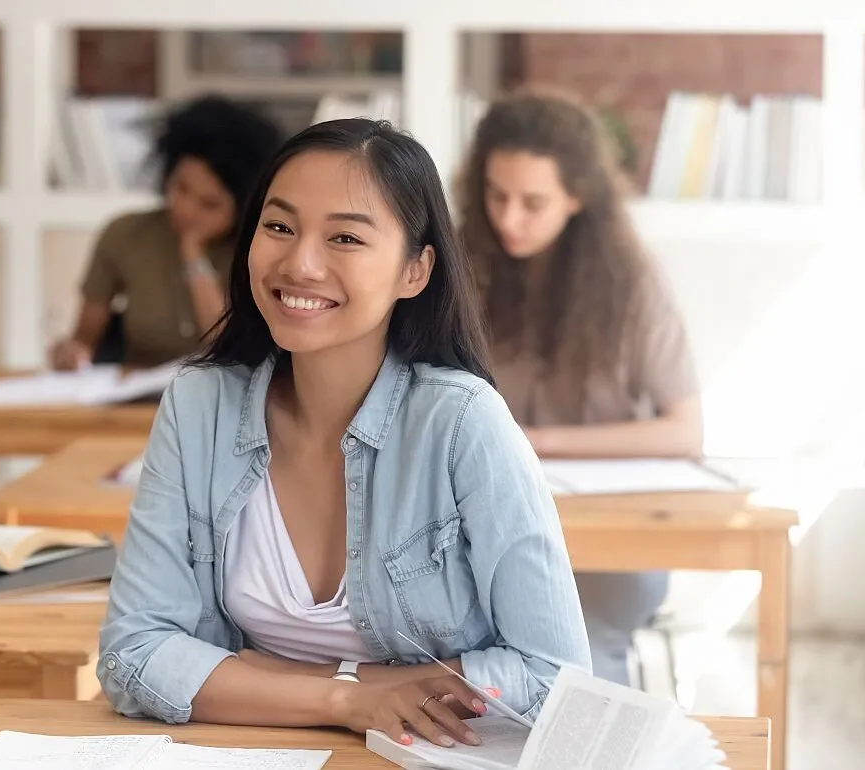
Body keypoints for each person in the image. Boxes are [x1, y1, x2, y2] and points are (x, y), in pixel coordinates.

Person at [98, 118, 590, 748]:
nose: (299, 263)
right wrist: (347, 697)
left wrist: (266, 675)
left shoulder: (464, 422)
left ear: (414, 272)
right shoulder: (200, 406)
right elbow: (134, 652)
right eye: (278, 227)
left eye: (345, 238)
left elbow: (556, 678)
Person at [459, 87, 704, 686]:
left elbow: (685, 430)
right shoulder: (460, 269)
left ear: (577, 196)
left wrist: (537, 440)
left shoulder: (632, 281)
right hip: (488, 526)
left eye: (532, 202)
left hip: (615, 540)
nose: (509, 218)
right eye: (496, 195)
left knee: (586, 654)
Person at [50, 96, 283, 370]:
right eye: (181, 188)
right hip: (137, 400)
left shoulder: (260, 248)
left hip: (223, 396)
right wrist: (70, 353)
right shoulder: (126, 235)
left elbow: (225, 347)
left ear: (244, 206)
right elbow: (84, 340)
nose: (185, 209)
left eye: (210, 204)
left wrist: (192, 253)